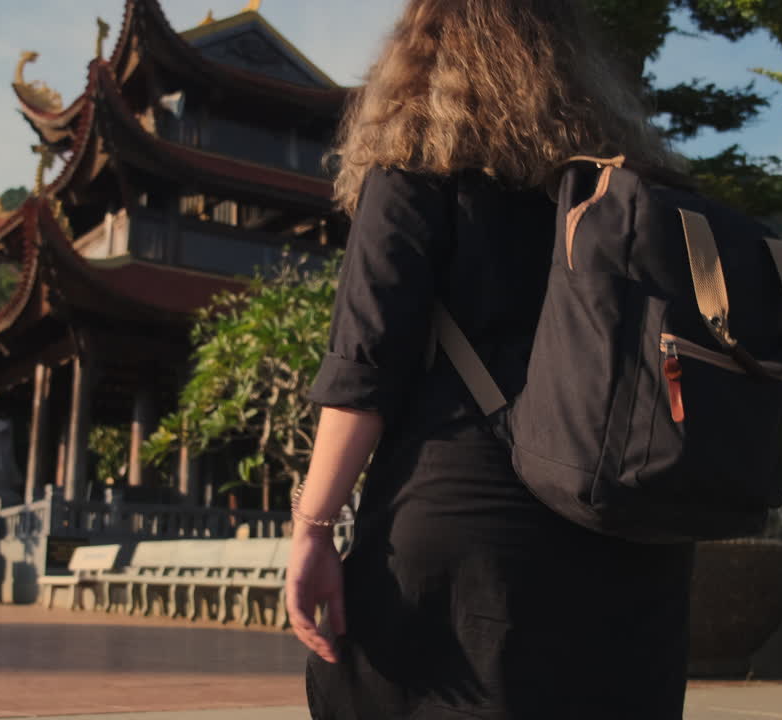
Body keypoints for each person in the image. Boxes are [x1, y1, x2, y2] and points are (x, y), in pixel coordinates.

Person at [285, 1, 696, 718]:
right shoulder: (636, 187)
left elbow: (365, 363)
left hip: (469, 524)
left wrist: (313, 527)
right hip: (634, 534)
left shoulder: (416, 167)